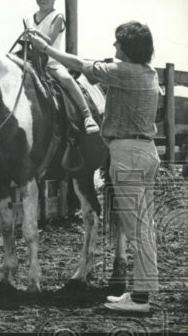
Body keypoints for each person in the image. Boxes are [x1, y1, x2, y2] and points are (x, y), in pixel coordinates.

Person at [28, 21, 159, 314]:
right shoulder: (148, 73)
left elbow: (81, 64)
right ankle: (142, 291)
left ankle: (140, 299)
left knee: (135, 228)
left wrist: (46, 49)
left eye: (117, 43)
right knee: (143, 226)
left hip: (126, 153)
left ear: (128, 48)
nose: (114, 47)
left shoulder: (123, 72)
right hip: (146, 152)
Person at [28, 0, 99, 134]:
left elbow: (49, 40)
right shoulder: (31, 18)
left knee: (66, 79)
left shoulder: (57, 17)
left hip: (52, 62)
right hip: (34, 62)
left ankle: (87, 115)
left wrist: (34, 34)